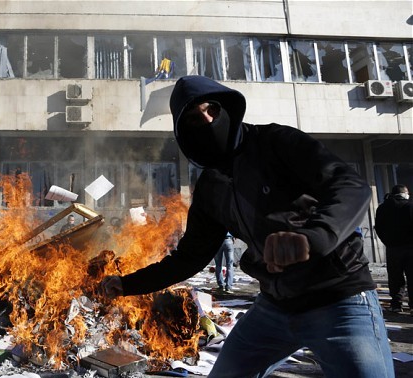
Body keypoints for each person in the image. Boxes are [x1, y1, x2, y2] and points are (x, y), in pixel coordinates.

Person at [99, 75, 394, 377]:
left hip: (338, 299)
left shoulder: (276, 142)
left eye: (211, 108)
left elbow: (350, 185)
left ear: (226, 108)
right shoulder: (210, 187)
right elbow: (189, 258)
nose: (207, 119)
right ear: (183, 131)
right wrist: (127, 284)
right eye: (193, 117)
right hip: (274, 306)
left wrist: (313, 236)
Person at [375, 184, 413, 314]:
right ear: (405, 193)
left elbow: (378, 228)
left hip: (392, 248)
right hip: (410, 248)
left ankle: (396, 304)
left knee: (395, 277)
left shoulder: (383, 208)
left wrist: (387, 241)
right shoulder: (410, 206)